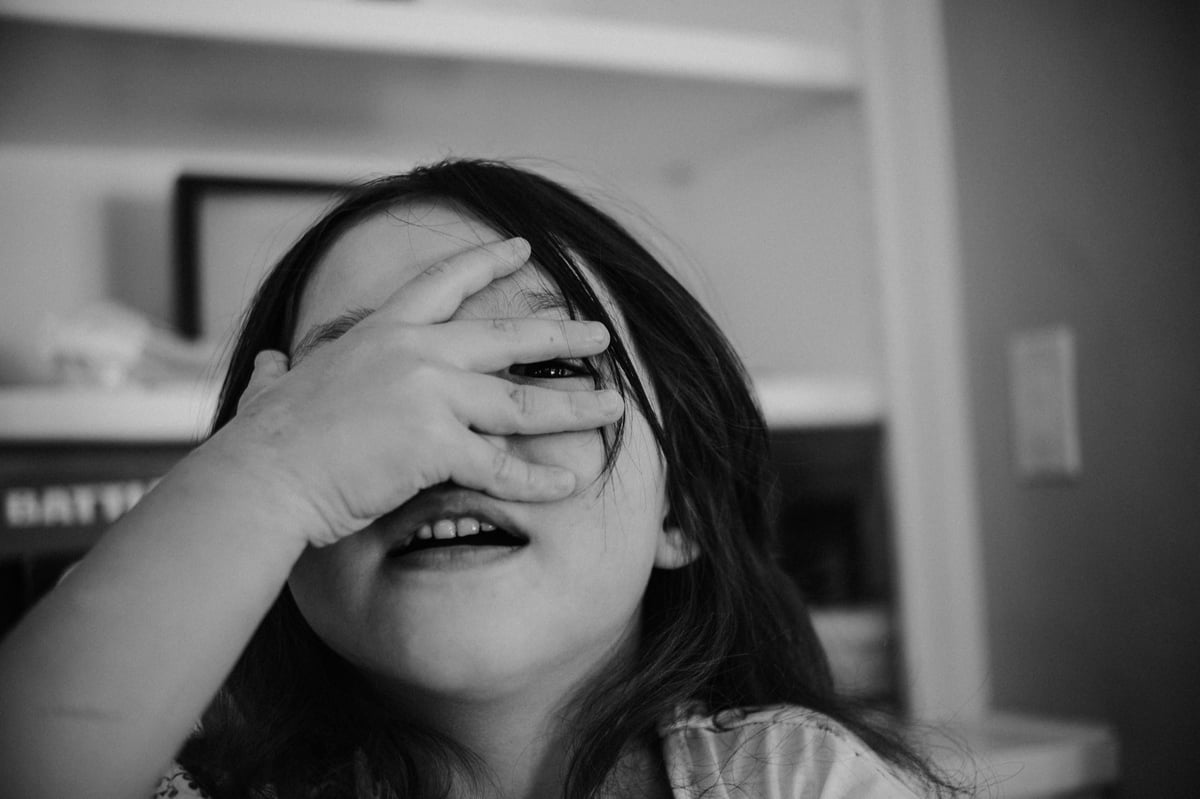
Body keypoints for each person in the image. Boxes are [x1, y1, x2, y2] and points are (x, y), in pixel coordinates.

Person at [0, 159, 963, 798]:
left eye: (541, 362)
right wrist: (272, 468)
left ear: (681, 510)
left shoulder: (793, 779)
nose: (441, 433)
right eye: (356, 388)